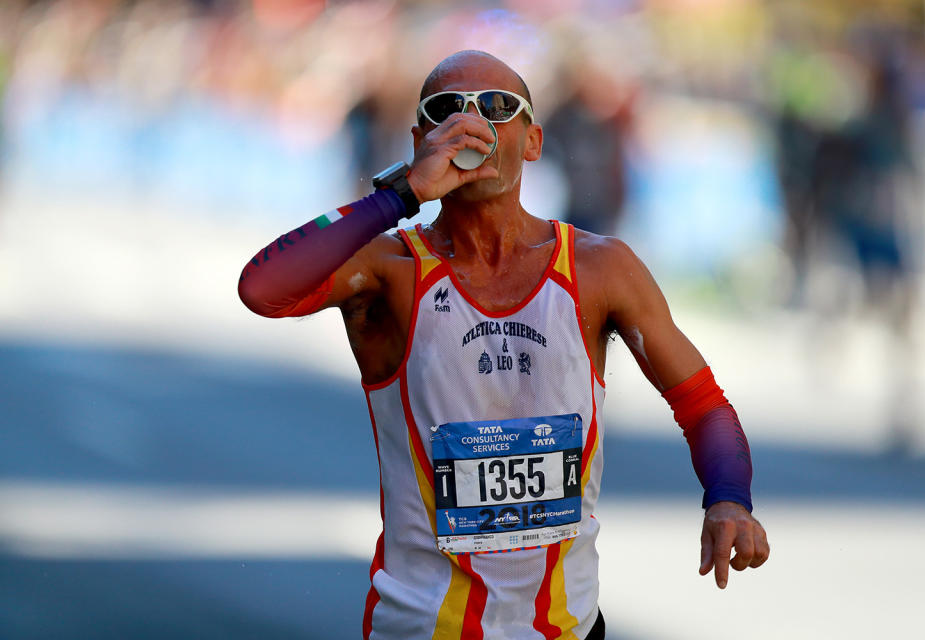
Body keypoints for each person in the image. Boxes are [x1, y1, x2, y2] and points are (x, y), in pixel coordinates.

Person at [238, 50, 769, 640]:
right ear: (421, 139)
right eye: (447, 109)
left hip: (564, 627)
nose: (471, 122)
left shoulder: (599, 269)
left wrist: (729, 500)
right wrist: (401, 193)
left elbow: (702, 402)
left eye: (496, 106)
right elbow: (262, 290)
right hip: (420, 629)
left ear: (533, 140)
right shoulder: (391, 269)